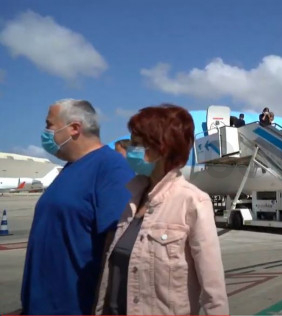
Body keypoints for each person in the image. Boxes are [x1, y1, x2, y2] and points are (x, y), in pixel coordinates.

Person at [93, 104, 229, 315]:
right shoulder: (132, 198)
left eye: (136, 144)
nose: (130, 151)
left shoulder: (192, 202)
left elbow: (214, 289)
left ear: (161, 149)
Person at [21, 99, 134, 315]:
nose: (46, 132)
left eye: (49, 125)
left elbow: (118, 248)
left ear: (74, 128)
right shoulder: (70, 168)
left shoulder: (111, 168)